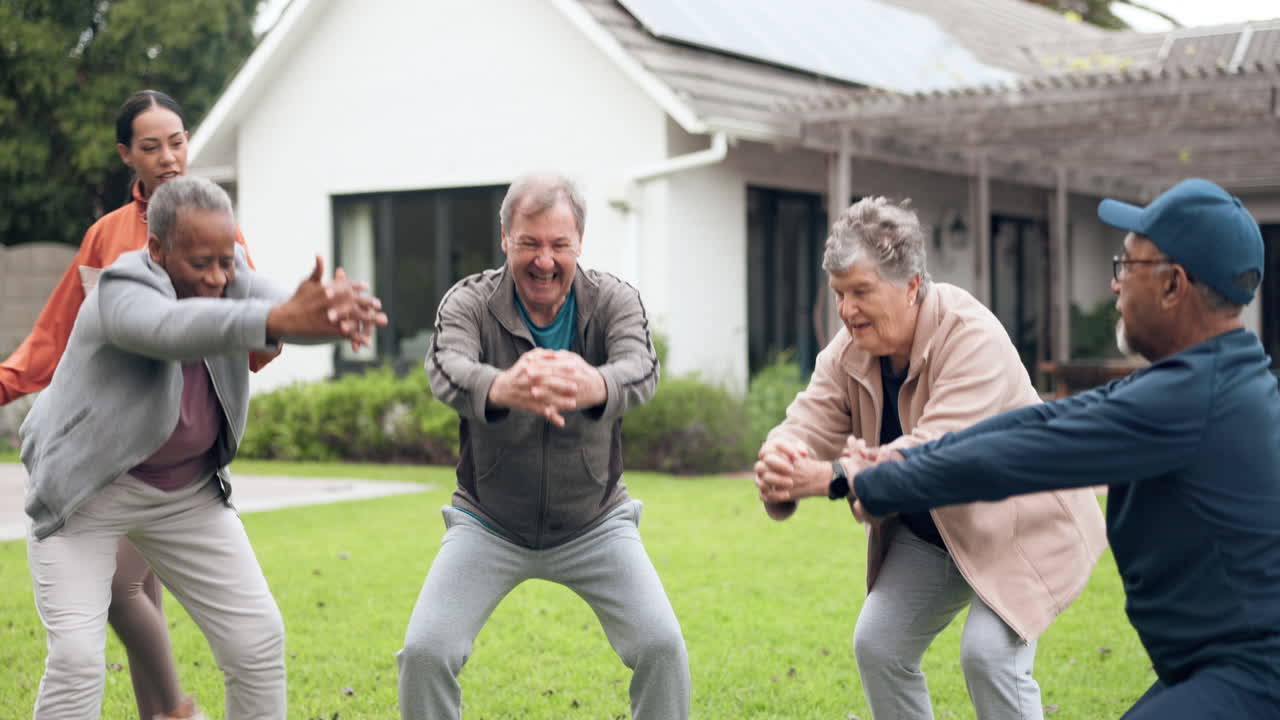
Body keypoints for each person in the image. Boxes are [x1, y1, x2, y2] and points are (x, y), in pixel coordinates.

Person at [848, 179, 1278, 720]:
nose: (1115, 283)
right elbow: (1043, 420)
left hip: (1253, 677)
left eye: (1127, 265)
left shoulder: (1190, 398)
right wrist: (900, 461)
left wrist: (876, 480)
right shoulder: (1212, 377)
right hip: (1218, 667)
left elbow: (1023, 454)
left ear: (1173, 285)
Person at [21, 175, 386, 720]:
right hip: (84, 496)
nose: (218, 277)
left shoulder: (233, 278)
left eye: (226, 261)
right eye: (200, 264)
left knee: (257, 639)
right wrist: (275, 319)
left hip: (186, 494)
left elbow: (284, 305)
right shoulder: (119, 289)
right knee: (76, 660)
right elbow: (170, 328)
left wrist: (330, 313)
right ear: (157, 250)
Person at [755, 196, 1107, 720]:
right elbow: (809, 418)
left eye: (861, 291)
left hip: (1019, 524)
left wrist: (836, 475)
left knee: (989, 656)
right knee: (880, 646)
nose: (847, 310)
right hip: (934, 529)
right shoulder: (849, 349)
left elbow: (938, 449)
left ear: (911, 285)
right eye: (838, 293)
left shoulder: (973, 336)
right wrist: (781, 455)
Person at [0, 89, 275, 720]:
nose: (168, 157)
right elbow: (56, 336)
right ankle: (171, 710)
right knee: (124, 594)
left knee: (133, 594)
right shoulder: (107, 238)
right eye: (151, 146)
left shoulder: (214, 227)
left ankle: (167, 711)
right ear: (127, 154)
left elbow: (251, 328)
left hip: (178, 469)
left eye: (177, 142)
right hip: (103, 463)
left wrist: (279, 324)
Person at [402, 172, 688, 720]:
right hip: (488, 521)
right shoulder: (469, 302)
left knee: (663, 647)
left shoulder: (614, 300)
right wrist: (502, 386)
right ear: (504, 238)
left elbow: (642, 368)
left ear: (580, 241)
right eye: (529, 243)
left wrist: (595, 383)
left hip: (596, 521)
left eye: (559, 244)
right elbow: (445, 366)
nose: (544, 260)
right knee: (425, 653)